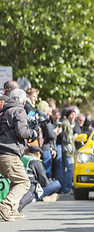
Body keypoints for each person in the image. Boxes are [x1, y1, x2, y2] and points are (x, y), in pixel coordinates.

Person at [0, 89, 38, 222]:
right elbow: (22, 132)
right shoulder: (18, 110)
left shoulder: (4, 110)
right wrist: (33, 133)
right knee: (24, 182)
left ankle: (13, 209)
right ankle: (5, 206)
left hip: (2, 152)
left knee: (15, 180)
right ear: (22, 101)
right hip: (10, 152)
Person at [18, 145, 61, 213]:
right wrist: (49, 182)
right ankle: (39, 197)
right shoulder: (35, 161)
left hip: (20, 188)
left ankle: (45, 197)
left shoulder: (22, 158)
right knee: (57, 184)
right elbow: (43, 181)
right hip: (32, 189)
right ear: (38, 153)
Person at [36, 101, 57, 179]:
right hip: (45, 147)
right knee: (46, 170)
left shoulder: (35, 115)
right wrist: (55, 133)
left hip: (38, 146)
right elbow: (50, 134)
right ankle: (47, 187)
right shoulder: (44, 118)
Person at [61, 108, 77, 194]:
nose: (73, 116)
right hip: (68, 151)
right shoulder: (66, 124)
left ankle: (65, 188)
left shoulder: (68, 124)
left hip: (67, 151)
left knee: (66, 170)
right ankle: (67, 188)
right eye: (71, 114)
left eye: (74, 114)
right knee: (70, 169)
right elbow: (68, 139)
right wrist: (75, 137)